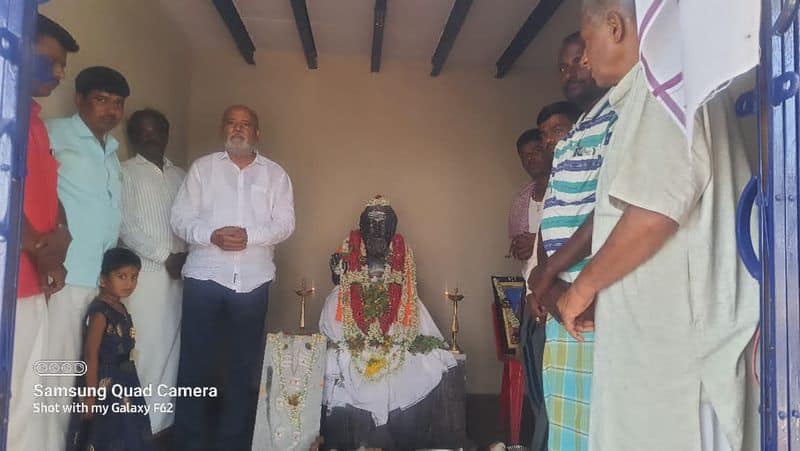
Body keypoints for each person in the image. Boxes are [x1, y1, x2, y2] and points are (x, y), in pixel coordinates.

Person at [556, 1, 759, 449]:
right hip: (662, 350)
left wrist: (582, 289)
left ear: (615, 26)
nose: (584, 60)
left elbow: (654, 214)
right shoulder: (646, 94)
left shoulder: (661, 86)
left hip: (675, 359)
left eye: (587, 44)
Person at [171, 105, 295, 450]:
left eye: (246, 125)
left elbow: (284, 223)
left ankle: (234, 442)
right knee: (195, 363)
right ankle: (188, 443)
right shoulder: (202, 169)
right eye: (232, 123)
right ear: (223, 129)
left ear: (258, 134)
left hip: (253, 282)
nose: (238, 129)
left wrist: (249, 236)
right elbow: (180, 218)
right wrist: (211, 235)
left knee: (243, 367)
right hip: (205, 278)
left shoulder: (276, 175)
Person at [526, 32, 611, 451]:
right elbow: (551, 217)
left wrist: (550, 274)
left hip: (593, 292)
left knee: (599, 419)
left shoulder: (619, 120)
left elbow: (611, 214)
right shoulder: (569, 141)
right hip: (561, 298)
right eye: (563, 66)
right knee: (564, 417)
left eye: (581, 60)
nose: (572, 72)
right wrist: (546, 281)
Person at [319, 196, 459, 450]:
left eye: (381, 225)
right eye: (371, 224)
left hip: (394, 313)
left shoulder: (401, 251)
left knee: (428, 359)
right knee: (340, 346)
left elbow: (405, 285)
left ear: (391, 228)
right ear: (362, 227)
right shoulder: (349, 247)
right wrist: (336, 270)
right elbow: (341, 279)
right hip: (354, 308)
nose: (376, 232)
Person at [45, 65, 130, 449]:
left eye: (117, 103)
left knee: (85, 374)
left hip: (98, 281)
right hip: (65, 274)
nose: (110, 110)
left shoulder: (112, 152)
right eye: (101, 100)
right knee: (58, 371)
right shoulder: (54, 134)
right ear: (79, 99)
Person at [8, 14, 77, 451]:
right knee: (12, 399)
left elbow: (47, 189)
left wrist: (61, 236)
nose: (57, 74)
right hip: (10, 282)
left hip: (36, 282)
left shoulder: (33, 118)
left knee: (29, 398)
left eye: (61, 67)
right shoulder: (4, 109)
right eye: (50, 62)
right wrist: (37, 246)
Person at [119, 108, 186, 434]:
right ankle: (139, 427)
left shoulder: (181, 175)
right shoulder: (125, 172)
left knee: (173, 349)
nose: (152, 137)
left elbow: (190, 222)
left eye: (157, 130)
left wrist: (185, 258)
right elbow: (125, 226)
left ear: (167, 133)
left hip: (182, 275)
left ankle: (164, 424)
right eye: (144, 132)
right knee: (145, 349)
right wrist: (165, 256)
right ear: (133, 137)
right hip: (146, 276)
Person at [67, 248, 155, 451]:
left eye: (134, 277)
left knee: (130, 429)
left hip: (126, 381)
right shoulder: (100, 313)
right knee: (106, 432)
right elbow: (90, 355)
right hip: (104, 384)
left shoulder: (120, 307)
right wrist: (90, 396)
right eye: (121, 276)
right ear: (103, 279)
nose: (129, 283)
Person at [506, 128, 551, 451]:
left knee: (556, 382)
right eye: (524, 156)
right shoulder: (522, 199)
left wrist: (534, 240)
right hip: (531, 297)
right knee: (536, 381)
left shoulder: (567, 190)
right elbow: (519, 249)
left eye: (535, 150)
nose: (530, 159)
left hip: (563, 297)